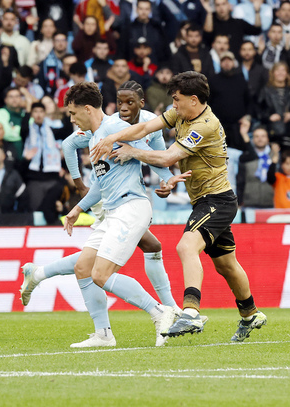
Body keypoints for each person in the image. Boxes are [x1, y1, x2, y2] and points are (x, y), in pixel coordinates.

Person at [92, 71, 268, 342]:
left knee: (186, 246)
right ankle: (250, 314)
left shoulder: (204, 126)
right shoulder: (182, 114)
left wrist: (132, 151)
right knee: (226, 265)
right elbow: (143, 128)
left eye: (176, 99)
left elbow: (168, 157)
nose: (173, 105)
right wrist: (114, 137)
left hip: (217, 200)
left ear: (193, 100)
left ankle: (191, 312)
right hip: (205, 200)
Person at [20, 81, 182, 346]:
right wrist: (77, 208)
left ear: (86, 109)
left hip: (132, 207)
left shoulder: (116, 128)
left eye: (72, 114)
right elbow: (101, 182)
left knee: (101, 274)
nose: (71, 120)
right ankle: (103, 334)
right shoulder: (95, 137)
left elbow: (149, 152)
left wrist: (167, 178)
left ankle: (161, 311)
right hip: (112, 210)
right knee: (84, 267)